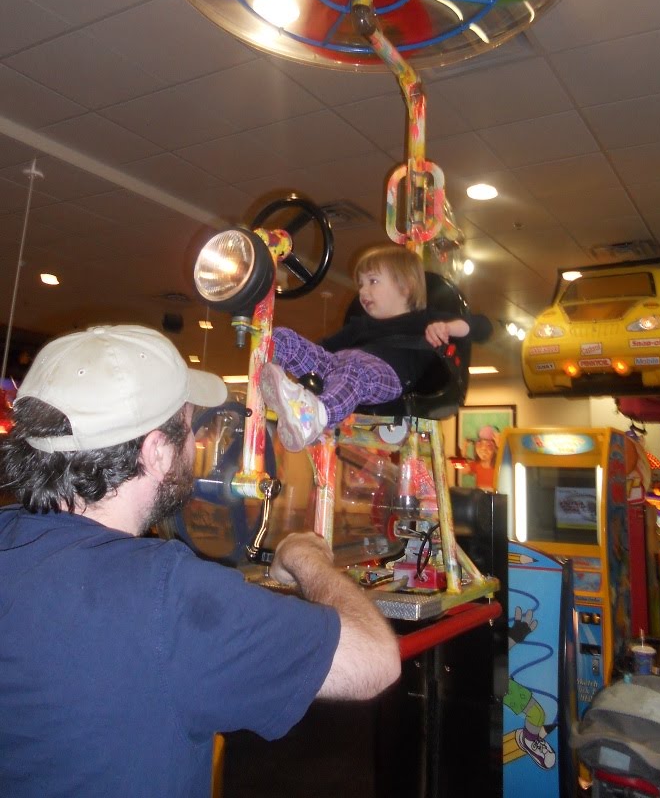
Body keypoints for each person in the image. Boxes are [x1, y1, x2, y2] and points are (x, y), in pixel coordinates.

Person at [0, 324, 400, 798]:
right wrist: (307, 558)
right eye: (189, 427)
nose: (196, 444)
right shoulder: (168, 596)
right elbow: (376, 661)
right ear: (155, 452)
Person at [261, 244, 491, 451]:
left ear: (406, 286)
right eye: (360, 284)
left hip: (385, 377)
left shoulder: (424, 320)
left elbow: (482, 327)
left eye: (372, 281)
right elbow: (321, 351)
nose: (362, 291)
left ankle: (317, 415)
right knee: (283, 338)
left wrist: (448, 328)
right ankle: (274, 395)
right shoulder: (360, 326)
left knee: (354, 366)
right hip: (340, 366)